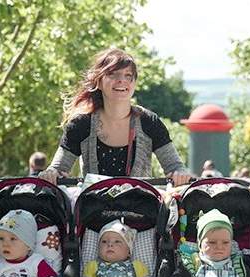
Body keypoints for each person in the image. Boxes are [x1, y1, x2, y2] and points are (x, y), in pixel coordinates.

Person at [39, 48, 191, 184]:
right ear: (98, 81)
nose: (122, 80)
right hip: (93, 212)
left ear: (134, 83)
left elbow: (175, 167)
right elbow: (58, 169)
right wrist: (51, 174)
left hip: (141, 212)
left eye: (128, 75)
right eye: (113, 74)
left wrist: (180, 173)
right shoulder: (81, 124)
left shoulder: (149, 122)